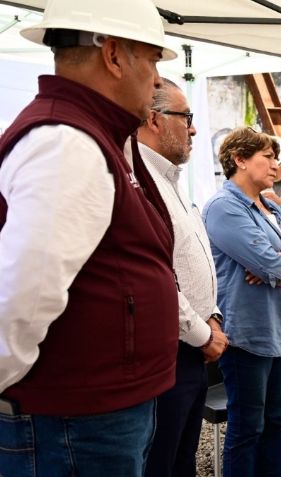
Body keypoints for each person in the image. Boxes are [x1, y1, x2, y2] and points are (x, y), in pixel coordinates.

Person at [0, 1, 180, 475]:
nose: (158, 79)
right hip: (71, 422)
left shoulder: (93, 133)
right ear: (115, 55)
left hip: (87, 416)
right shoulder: (67, 142)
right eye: (154, 59)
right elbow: (20, 297)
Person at [203, 127, 281, 477]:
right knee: (247, 427)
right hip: (247, 337)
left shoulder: (269, 205)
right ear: (239, 159)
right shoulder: (224, 208)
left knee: (272, 423)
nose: (275, 164)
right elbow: (271, 266)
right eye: (267, 157)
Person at [137, 78, 230, 477]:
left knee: (182, 461)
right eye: (186, 117)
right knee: (162, 463)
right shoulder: (141, 183)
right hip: (170, 352)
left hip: (194, 347)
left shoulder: (170, 180)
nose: (193, 128)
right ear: (155, 119)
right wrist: (203, 333)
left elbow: (195, 265)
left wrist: (213, 316)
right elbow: (157, 278)